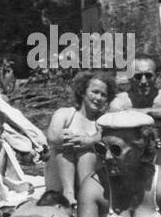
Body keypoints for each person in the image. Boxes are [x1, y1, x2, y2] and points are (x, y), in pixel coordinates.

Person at [107, 54, 161, 170]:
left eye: (148, 75)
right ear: (129, 77)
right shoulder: (120, 101)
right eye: (138, 76)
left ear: (157, 76)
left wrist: (145, 111)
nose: (143, 81)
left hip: (159, 155)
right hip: (131, 155)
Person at [44, 71, 115, 203]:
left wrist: (89, 140)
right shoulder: (65, 114)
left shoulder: (102, 121)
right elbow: (52, 137)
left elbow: (107, 138)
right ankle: (69, 194)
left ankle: (85, 196)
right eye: (94, 92)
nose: (98, 98)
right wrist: (73, 139)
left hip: (87, 178)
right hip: (58, 181)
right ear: (83, 92)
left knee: (89, 152)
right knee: (65, 143)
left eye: (103, 95)